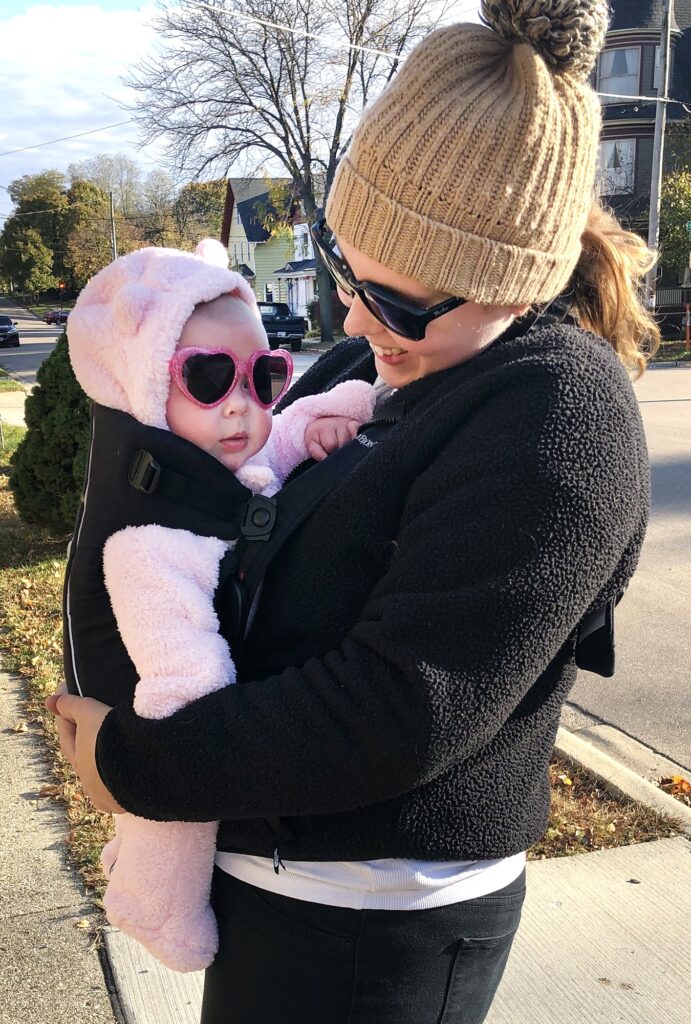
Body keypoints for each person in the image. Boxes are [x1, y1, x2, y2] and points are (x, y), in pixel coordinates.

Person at [48, 2, 661, 1021]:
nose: (353, 318)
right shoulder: (365, 367)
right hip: (275, 886)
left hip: (370, 928)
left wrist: (133, 764)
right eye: (346, 269)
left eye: (403, 303)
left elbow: (401, 709)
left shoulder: (558, 416)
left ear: (514, 280)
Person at [61, 239, 376, 972]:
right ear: (141, 387)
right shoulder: (149, 539)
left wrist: (332, 412)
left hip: (178, 715)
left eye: (263, 377)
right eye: (205, 378)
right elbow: (184, 699)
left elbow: (269, 451)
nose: (240, 405)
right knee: (168, 809)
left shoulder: (203, 459)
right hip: (154, 721)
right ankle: (152, 901)